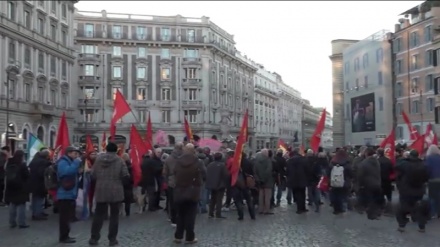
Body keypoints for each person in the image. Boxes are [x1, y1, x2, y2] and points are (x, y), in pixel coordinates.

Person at [89, 142, 129, 246]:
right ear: (116, 150)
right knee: (114, 216)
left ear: (106, 149)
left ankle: (94, 238)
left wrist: (100, 181)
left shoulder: (98, 160)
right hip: (116, 189)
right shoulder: (120, 160)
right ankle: (112, 239)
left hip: (101, 189)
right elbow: (125, 175)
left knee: (98, 215)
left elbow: (92, 174)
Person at [173, 143, 206, 244]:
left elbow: (174, 172)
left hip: (179, 190)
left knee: (180, 214)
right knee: (190, 215)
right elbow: (204, 174)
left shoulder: (178, 161)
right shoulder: (198, 162)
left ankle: (178, 236)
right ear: (193, 151)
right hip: (193, 192)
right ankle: (189, 237)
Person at [395, 150, 430, 232]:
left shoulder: (405, 164)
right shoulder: (423, 165)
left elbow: (396, 166)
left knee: (402, 209)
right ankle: (422, 227)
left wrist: (405, 159)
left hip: (406, 190)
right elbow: (426, 178)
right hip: (419, 190)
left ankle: (402, 226)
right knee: (419, 209)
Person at [56, 146, 81, 244]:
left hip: (69, 193)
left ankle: (66, 235)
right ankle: (63, 237)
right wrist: (76, 164)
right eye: (75, 153)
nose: (76, 155)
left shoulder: (69, 162)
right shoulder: (63, 162)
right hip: (64, 193)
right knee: (64, 218)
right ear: (69, 153)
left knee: (67, 217)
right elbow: (66, 172)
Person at [4, 150, 29, 228]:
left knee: (12, 204)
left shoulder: (9, 162)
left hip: (11, 186)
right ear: (21, 156)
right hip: (21, 186)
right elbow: (26, 175)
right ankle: (21, 223)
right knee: (21, 205)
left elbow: (5, 171)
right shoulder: (22, 164)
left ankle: (12, 222)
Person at [357, 147, 382, 220]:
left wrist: (360, 184)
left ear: (366, 153)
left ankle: (371, 214)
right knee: (376, 199)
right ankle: (377, 212)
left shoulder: (364, 163)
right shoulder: (377, 162)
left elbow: (360, 175)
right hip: (377, 182)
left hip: (368, 184)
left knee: (370, 199)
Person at [163, 142, 183, 226]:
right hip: (182, 181)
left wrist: (167, 181)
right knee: (181, 201)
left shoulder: (169, 159)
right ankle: (181, 218)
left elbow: (164, 172)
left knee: (172, 201)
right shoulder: (184, 158)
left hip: (171, 182)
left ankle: (173, 219)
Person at [29, 149, 52, 220]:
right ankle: (38, 214)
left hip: (33, 182)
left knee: (35, 198)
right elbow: (41, 173)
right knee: (40, 198)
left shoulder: (34, 160)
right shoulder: (43, 162)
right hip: (40, 183)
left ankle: (35, 212)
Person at [328, 149, 352, 215]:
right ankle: (342, 208)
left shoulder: (332, 162)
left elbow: (328, 172)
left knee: (335, 195)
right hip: (344, 182)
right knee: (342, 195)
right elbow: (350, 173)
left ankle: (336, 209)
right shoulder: (347, 163)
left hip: (334, 182)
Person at [205, 152, 229, 219]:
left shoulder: (210, 165)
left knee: (213, 199)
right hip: (220, 185)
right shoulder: (222, 165)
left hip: (212, 184)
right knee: (219, 200)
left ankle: (210, 213)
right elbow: (226, 175)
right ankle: (218, 214)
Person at [286, 148, 308, 214]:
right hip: (302, 179)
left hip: (293, 179)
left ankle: (299, 208)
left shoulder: (289, 160)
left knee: (297, 194)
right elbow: (307, 169)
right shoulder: (303, 159)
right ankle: (303, 207)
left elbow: (287, 171)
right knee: (302, 193)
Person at [253, 149, 274, 214]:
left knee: (261, 196)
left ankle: (261, 209)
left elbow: (254, 172)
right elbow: (268, 171)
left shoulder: (256, 161)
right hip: (267, 181)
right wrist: (263, 179)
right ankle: (266, 209)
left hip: (259, 181)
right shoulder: (268, 161)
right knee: (267, 196)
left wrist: (258, 179)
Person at [425, 144, 440, 218]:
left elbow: (427, 169)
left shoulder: (429, 158)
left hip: (432, 180)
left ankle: (433, 213)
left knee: (432, 197)